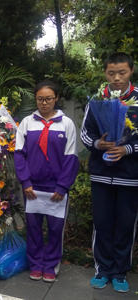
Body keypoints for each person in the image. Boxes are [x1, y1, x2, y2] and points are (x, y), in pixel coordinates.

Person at [81, 52, 138, 293]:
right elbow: (86, 134)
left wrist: (127, 149)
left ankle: (120, 271)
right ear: (105, 72)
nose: (116, 78)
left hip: (130, 175)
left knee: (125, 224)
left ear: (131, 71)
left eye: (121, 73)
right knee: (102, 223)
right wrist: (98, 144)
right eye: (111, 73)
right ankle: (102, 269)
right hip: (101, 174)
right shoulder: (96, 100)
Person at [14, 81, 79, 283]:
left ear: (56, 98)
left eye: (48, 98)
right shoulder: (27, 123)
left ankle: (50, 265)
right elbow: (19, 155)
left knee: (55, 229)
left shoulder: (66, 123)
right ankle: (36, 264)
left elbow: (71, 157)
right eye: (40, 99)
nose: (44, 103)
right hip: (32, 188)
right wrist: (25, 182)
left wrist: (62, 186)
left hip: (56, 188)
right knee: (33, 229)